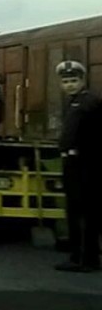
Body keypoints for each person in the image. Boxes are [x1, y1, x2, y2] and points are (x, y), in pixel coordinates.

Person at [54, 60, 100, 272]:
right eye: (66, 81)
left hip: (85, 164)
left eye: (74, 80)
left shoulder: (88, 102)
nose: (70, 85)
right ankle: (79, 256)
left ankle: (84, 259)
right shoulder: (73, 102)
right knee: (75, 210)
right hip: (73, 162)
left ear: (82, 81)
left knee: (84, 212)